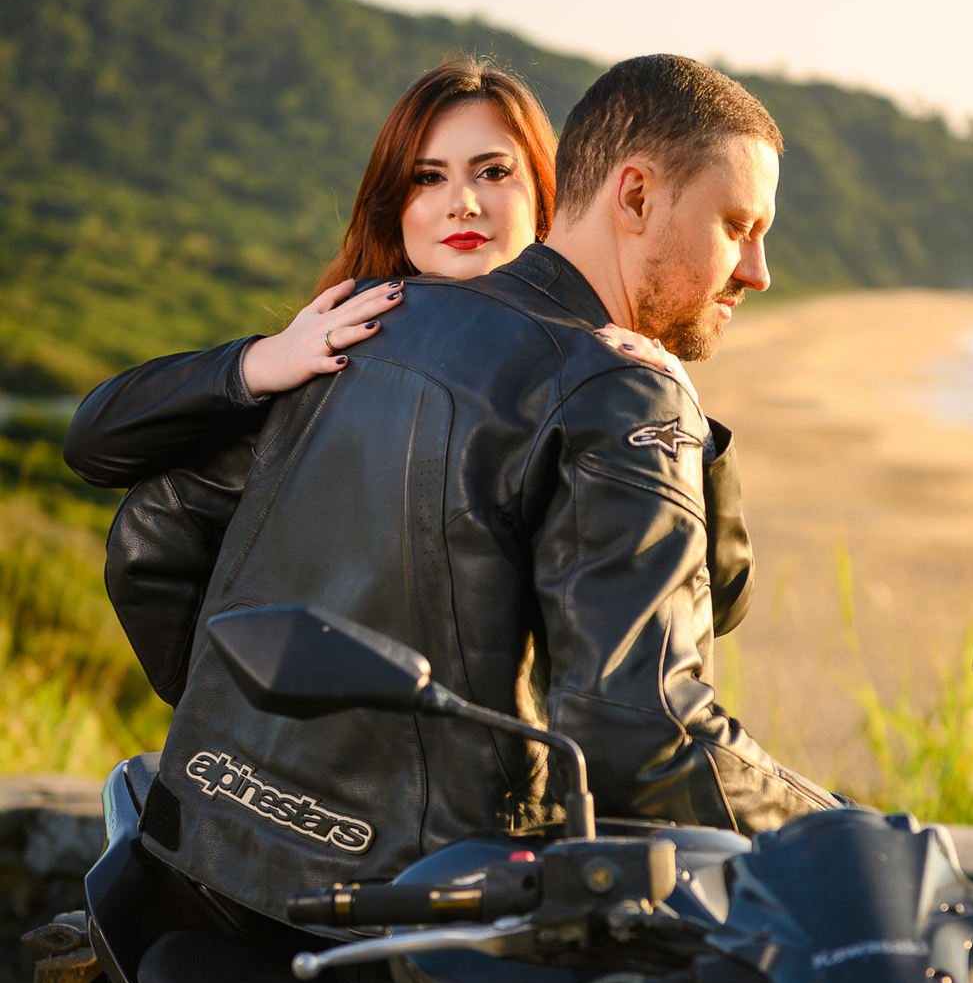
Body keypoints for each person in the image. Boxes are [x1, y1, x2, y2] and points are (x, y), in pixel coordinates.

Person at [101, 53, 835, 927]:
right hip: (431, 918)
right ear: (633, 198)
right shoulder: (615, 391)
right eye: (739, 225)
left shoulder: (356, 325)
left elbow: (151, 536)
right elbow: (644, 732)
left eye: (493, 173)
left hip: (217, 863)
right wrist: (846, 842)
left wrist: (257, 728)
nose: (756, 271)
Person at [65, 57, 750, 703]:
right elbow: (99, 449)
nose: (461, 203)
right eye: (428, 178)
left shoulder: (600, 376)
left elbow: (709, 602)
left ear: (548, 195)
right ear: (395, 204)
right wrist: (258, 364)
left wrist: (689, 429)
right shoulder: (338, 353)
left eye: (491, 172)